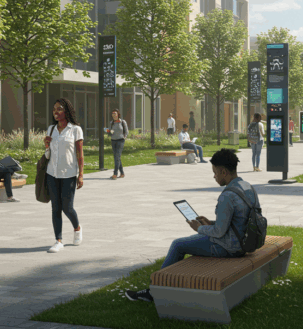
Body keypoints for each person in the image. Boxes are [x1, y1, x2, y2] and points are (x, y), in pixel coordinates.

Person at [125, 148, 256, 303]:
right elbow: (238, 220)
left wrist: (199, 228)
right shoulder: (248, 187)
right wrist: (210, 223)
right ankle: (170, 286)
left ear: (223, 172)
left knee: (178, 244)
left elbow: (219, 232)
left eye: (215, 172)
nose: (214, 176)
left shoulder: (227, 196)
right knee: (199, 236)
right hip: (245, 243)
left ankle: (154, 291)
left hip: (229, 248)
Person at [43, 98, 84, 254]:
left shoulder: (75, 130)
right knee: (55, 208)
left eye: (59, 109)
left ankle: (77, 227)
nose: (56, 112)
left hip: (69, 174)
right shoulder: (51, 129)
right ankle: (58, 240)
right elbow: (48, 155)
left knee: (67, 207)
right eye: (54, 109)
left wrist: (81, 174)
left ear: (66, 111)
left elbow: (80, 154)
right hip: (51, 174)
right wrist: (46, 146)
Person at [106, 108, 128, 180]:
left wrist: (124, 137)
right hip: (113, 140)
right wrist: (108, 131)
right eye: (112, 114)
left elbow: (126, 131)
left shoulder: (122, 122)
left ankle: (115, 173)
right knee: (117, 157)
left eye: (115, 114)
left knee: (117, 156)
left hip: (120, 140)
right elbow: (110, 132)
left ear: (118, 114)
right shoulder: (111, 123)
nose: (113, 115)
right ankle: (122, 173)